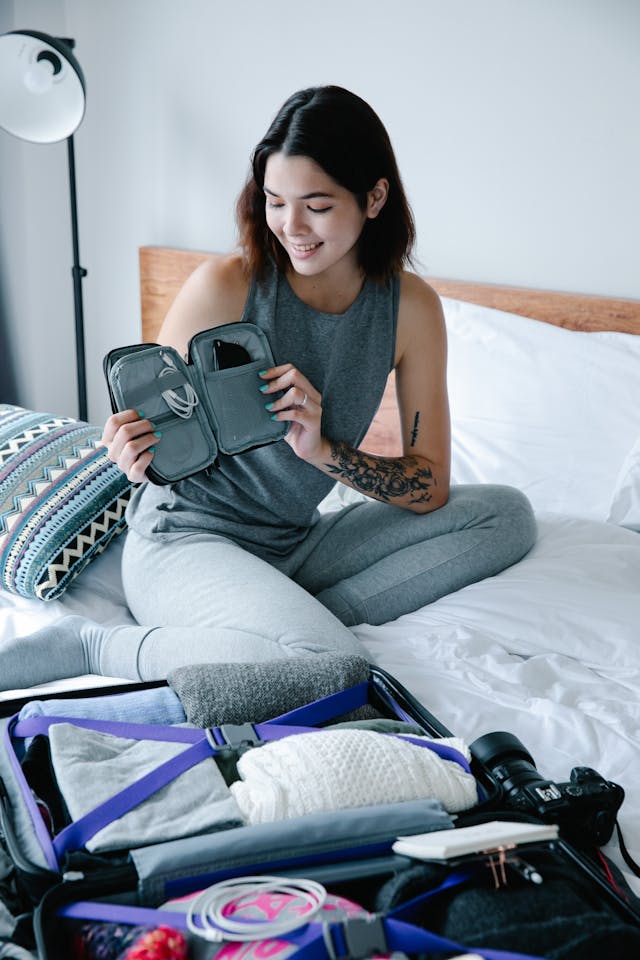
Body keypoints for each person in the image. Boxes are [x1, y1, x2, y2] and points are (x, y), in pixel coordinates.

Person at [2, 86, 536, 690]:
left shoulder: (410, 309)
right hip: (187, 537)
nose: (291, 226)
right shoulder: (226, 287)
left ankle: (287, 624)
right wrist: (130, 454)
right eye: (276, 202)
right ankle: (99, 646)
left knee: (505, 516)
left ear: (375, 197)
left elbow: (429, 487)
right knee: (330, 667)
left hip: (295, 539)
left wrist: (323, 451)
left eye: (317, 205)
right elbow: (152, 447)